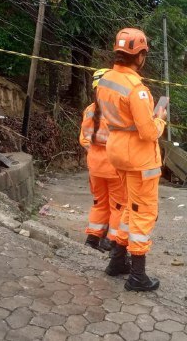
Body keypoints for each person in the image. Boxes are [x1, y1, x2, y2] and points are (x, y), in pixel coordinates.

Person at [96, 28, 166, 292]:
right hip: (139, 158)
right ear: (139, 56)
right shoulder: (137, 89)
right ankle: (137, 275)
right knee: (143, 212)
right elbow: (148, 132)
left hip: (117, 151)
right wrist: (160, 120)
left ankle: (117, 261)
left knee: (127, 206)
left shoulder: (105, 80)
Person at [79, 68, 125, 255]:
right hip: (114, 167)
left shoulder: (89, 110)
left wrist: (94, 152)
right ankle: (111, 242)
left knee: (99, 202)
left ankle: (92, 238)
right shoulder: (117, 111)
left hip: (95, 166)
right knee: (117, 206)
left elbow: (84, 139)